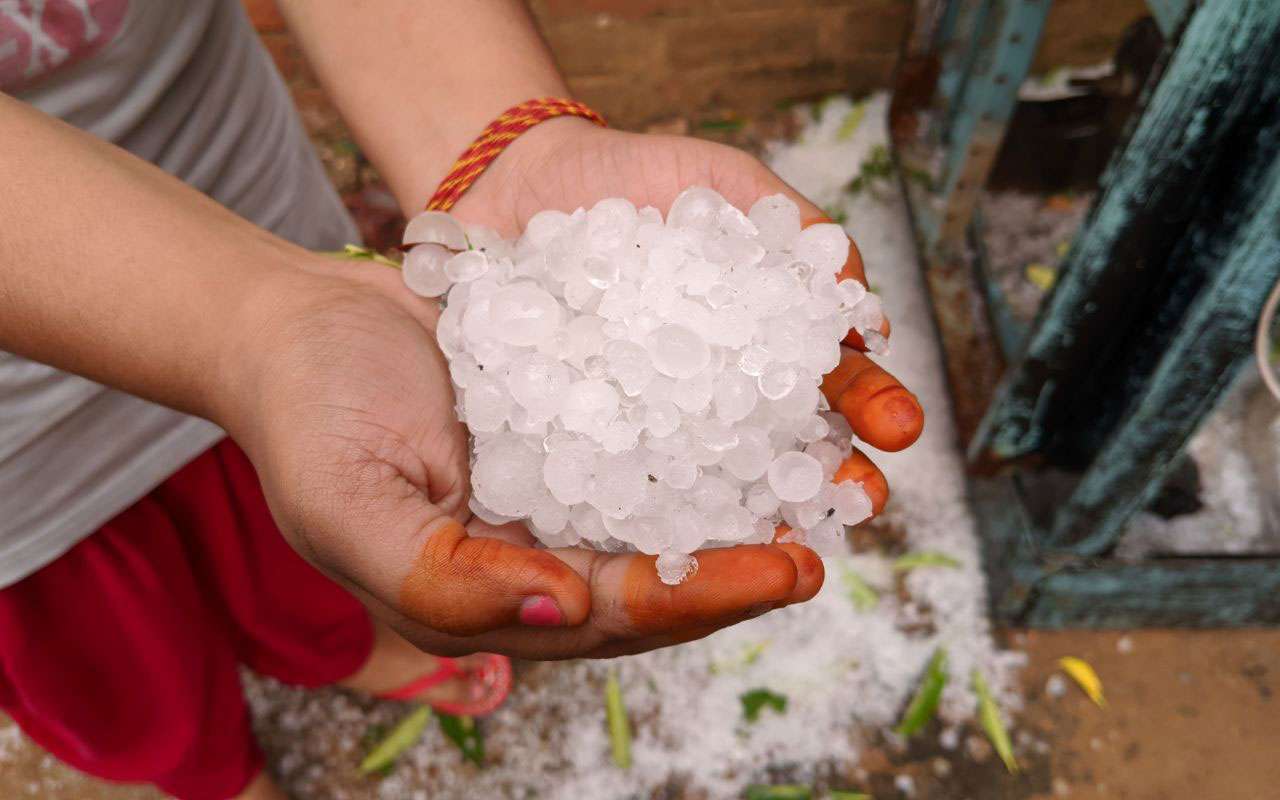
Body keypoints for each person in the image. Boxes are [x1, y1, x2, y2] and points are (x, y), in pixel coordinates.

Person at [0, 1, 924, 798]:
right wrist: (248, 325)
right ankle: (216, 775)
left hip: (245, 196)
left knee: (292, 563)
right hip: (19, 454)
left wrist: (514, 140)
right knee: (120, 661)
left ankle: (345, 654)